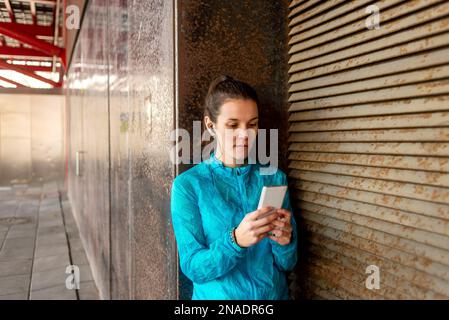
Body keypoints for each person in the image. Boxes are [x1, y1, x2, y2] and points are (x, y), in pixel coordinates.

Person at [170, 75, 297, 300]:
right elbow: (193, 267)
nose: (245, 134)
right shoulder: (188, 186)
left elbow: (287, 264)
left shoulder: (274, 178)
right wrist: (236, 240)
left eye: (252, 124)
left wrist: (285, 242)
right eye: (232, 125)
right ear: (211, 125)